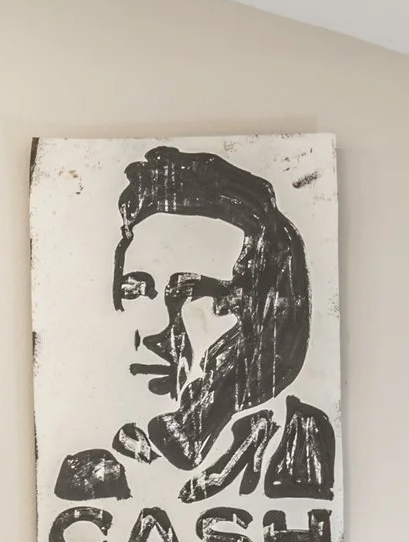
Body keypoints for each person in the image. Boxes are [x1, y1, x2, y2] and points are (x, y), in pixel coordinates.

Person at [53, 146, 333, 514]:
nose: (153, 331)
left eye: (190, 292)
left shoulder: (302, 450)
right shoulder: (92, 461)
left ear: (261, 312)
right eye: (133, 289)